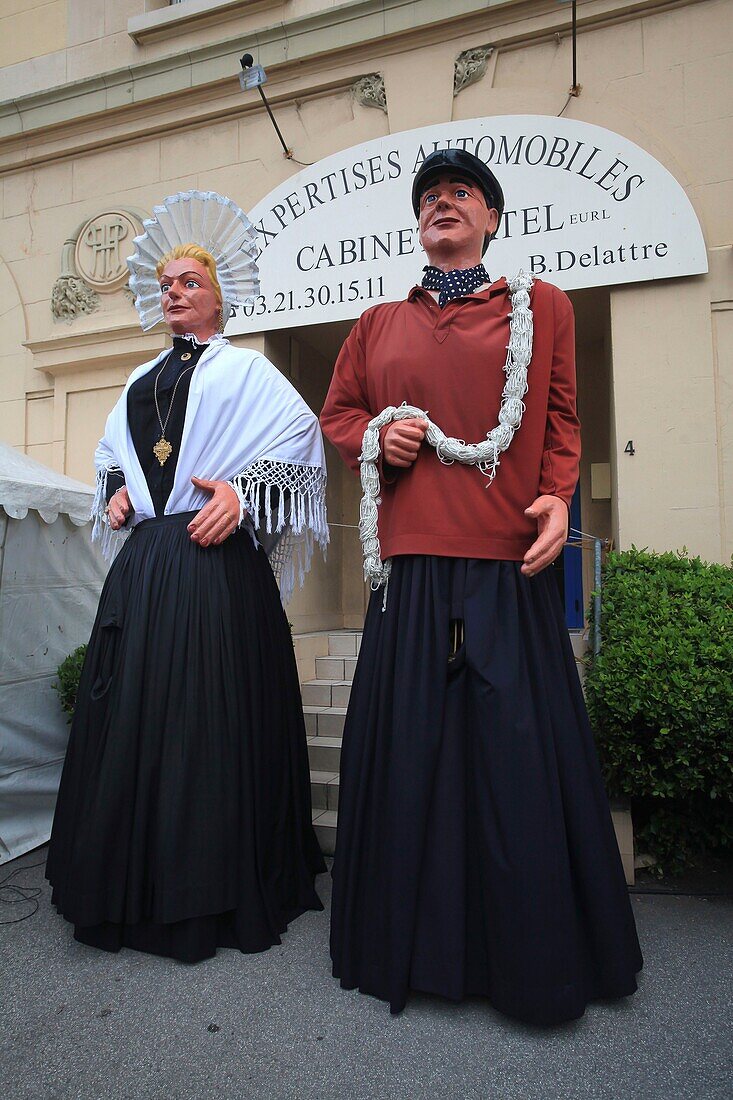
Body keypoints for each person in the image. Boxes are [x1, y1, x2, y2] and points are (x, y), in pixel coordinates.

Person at [320, 149, 642, 1025]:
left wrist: (555, 498)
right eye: (429, 197)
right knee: (409, 746)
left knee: (517, 753)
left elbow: (564, 421)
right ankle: (404, 948)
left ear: (492, 219)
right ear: (416, 223)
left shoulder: (542, 307)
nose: (442, 204)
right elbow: (339, 413)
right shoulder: (377, 321)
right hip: (412, 561)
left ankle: (534, 960)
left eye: (460, 193)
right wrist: (373, 438)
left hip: (509, 557)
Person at [46, 190, 328, 961]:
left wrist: (240, 491)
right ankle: (128, 884)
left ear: (217, 297)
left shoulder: (248, 372)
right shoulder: (138, 381)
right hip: (147, 567)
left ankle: (212, 886)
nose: (174, 291)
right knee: (135, 713)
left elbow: (301, 439)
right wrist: (115, 495)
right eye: (166, 284)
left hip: (216, 568)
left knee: (211, 714)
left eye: (188, 283)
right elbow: (111, 457)